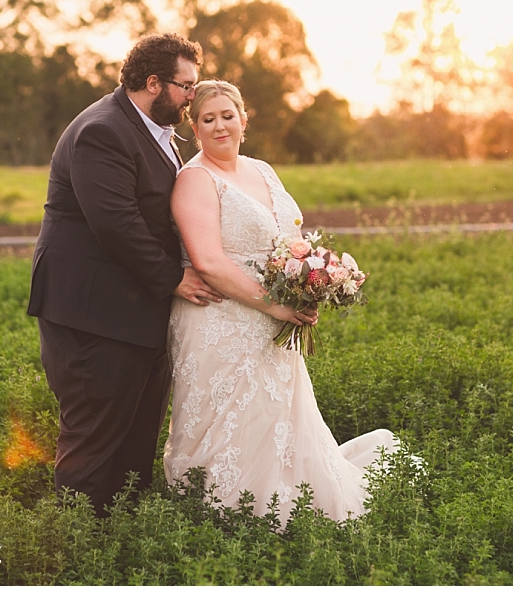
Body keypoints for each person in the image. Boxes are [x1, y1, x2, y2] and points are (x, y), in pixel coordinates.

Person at [164, 80, 399, 523]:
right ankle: (227, 510)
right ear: (194, 128)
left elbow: (288, 239)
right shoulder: (194, 180)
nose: (219, 126)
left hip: (273, 319)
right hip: (220, 318)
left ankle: (285, 500)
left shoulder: (262, 170)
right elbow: (208, 261)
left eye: (227, 116)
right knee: (230, 418)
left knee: (276, 417)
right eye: (208, 119)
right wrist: (274, 306)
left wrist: (310, 281)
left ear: (244, 120)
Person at [27, 33, 224, 518]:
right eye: (185, 86)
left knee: (135, 442)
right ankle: (78, 541)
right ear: (153, 83)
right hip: (93, 316)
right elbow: (116, 223)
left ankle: (122, 537)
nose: (192, 97)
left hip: (134, 312)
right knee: (94, 439)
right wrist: (174, 278)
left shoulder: (153, 130)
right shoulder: (103, 131)